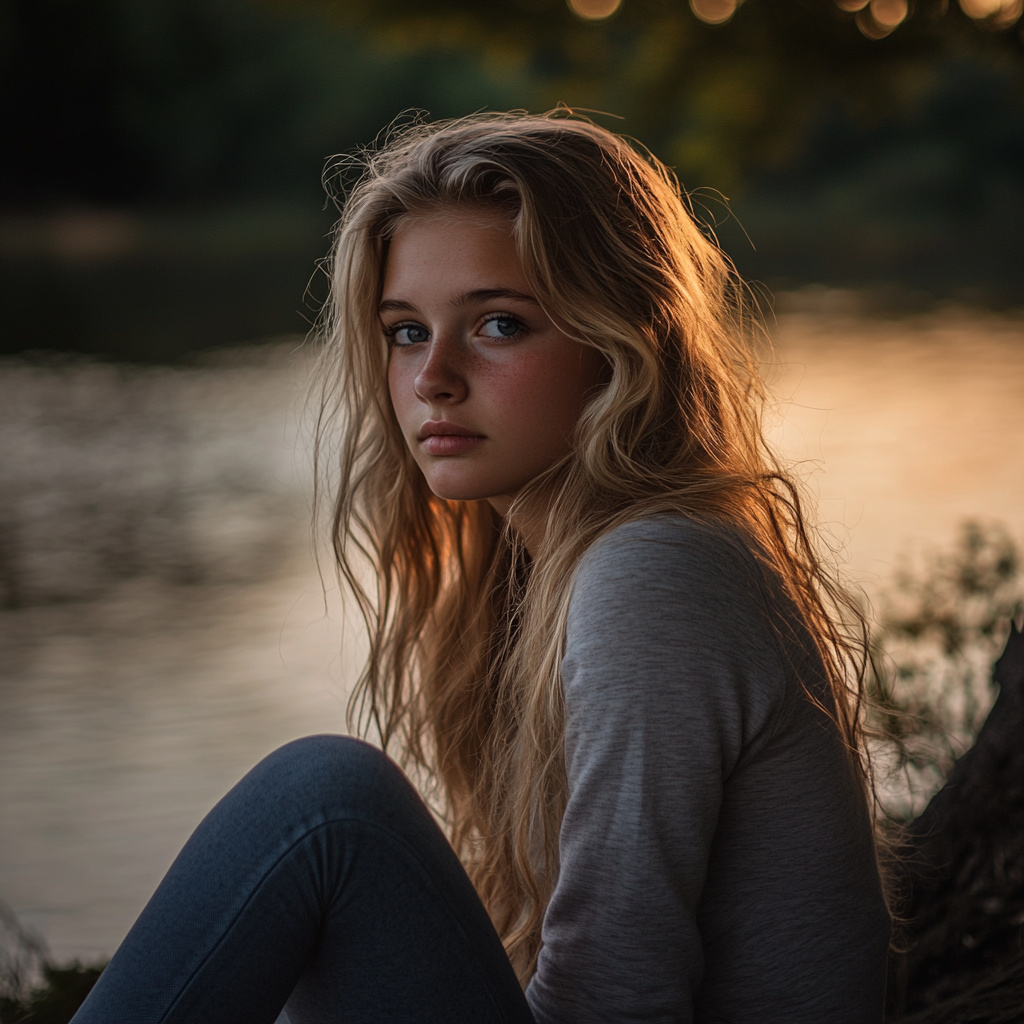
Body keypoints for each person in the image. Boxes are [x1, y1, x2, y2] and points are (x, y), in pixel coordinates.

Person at [73, 111, 890, 1024]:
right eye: (406, 331)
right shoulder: (537, 576)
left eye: (498, 324)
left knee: (328, 806)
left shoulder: (657, 570)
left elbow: (617, 1001)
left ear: (620, 341)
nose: (433, 379)